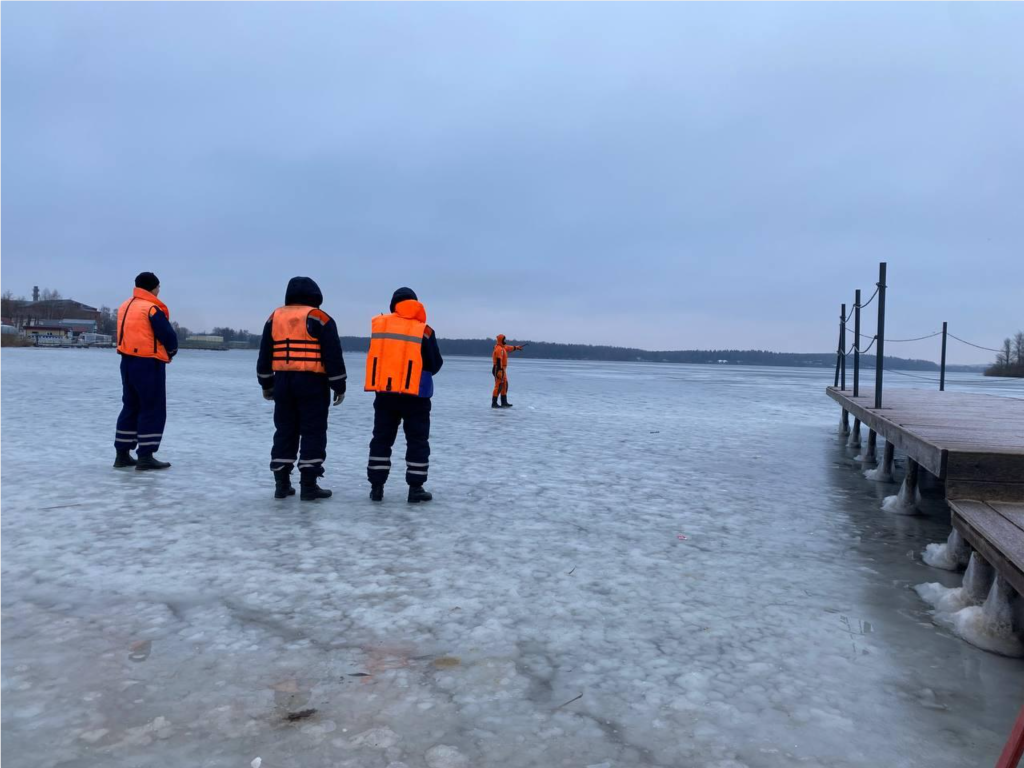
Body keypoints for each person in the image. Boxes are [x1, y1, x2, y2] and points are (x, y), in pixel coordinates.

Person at [257, 277, 347, 501]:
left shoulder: (274, 317)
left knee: (284, 430)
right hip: (313, 383)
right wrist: (339, 385)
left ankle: (281, 483)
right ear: (316, 296)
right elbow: (333, 355)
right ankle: (309, 485)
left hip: (283, 382)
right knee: (313, 431)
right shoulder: (320, 318)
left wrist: (266, 384)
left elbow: (265, 354)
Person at [364, 287, 443, 503]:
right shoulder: (424, 330)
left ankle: (377, 487)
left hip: (385, 395)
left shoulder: (380, 326)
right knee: (417, 440)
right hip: (416, 396)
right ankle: (415, 489)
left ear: (393, 305)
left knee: (381, 439)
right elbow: (435, 364)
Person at [113, 272, 178, 470]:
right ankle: (145, 456)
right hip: (148, 363)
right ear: (152, 287)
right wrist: (172, 351)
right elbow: (167, 335)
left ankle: (122, 454)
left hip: (127, 362)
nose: (159, 291)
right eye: (158, 287)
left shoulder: (125, 306)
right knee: (152, 407)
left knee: (130, 406)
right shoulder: (151, 308)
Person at [491, 334, 524, 408]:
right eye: (504, 339)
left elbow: (509, 348)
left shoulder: (503, 348)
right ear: (501, 340)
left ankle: (504, 402)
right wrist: (499, 370)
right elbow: (499, 360)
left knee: (505, 385)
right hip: (498, 368)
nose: (505, 341)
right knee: (498, 385)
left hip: (503, 369)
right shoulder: (498, 349)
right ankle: (494, 403)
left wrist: (516, 347)